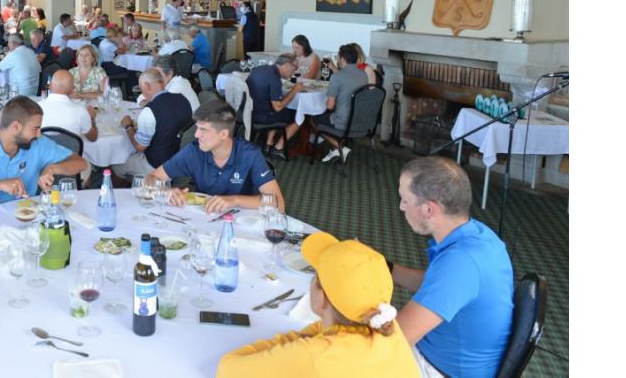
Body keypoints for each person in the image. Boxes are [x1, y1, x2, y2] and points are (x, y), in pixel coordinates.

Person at [217, 231, 420, 377]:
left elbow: (227, 369)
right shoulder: (389, 330)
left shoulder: (317, 354)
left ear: (320, 298)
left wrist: (292, 345)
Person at [390, 157, 514, 378]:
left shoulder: (460, 264)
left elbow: (393, 341)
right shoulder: (477, 234)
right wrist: (387, 268)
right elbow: (435, 286)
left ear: (429, 209)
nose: (401, 206)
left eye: (405, 199)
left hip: (439, 370)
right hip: (444, 356)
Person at [0, 96, 88, 215]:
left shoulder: (38, 143)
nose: (39, 135)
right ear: (16, 127)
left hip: (25, 220)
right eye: (35, 129)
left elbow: (81, 163)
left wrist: (52, 168)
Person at [151, 99, 284, 214]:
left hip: (242, 222)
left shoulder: (249, 155)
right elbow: (151, 178)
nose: (196, 134)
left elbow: (278, 204)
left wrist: (234, 200)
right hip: (205, 217)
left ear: (223, 134)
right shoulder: (194, 151)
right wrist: (166, 192)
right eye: (197, 128)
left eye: (203, 129)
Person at [113, 68, 191, 179]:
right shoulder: (183, 99)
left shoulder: (149, 111)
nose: (142, 93)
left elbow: (140, 146)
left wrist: (128, 126)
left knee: (116, 162)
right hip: (180, 158)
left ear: (147, 86)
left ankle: (126, 193)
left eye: (141, 89)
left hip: (158, 165)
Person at [317, 44, 371, 163]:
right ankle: (336, 149)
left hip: (343, 123)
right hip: (360, 120)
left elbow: (330, 106)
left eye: (338, 57)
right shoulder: (363, 75)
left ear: (342, 59)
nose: (337, 59)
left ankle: (340, 147)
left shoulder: (337, 77)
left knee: (313, 118)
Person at [246, 54, 307, 158]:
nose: (294, 72)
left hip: (250, 110)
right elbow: (277, 107)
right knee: (299, 115)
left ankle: (268, 144)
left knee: (280, 108)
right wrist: (294, 90)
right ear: (287, 65)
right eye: (295, 68)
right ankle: (278, 148)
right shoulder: (274, 78)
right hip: (263, 116)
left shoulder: (259, 69)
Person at [38, 70, 98, 146]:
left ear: (49, 86)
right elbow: (93, 138)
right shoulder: (80, 111)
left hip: (42, 156)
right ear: (73, 90)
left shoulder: (35, 109)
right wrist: (92, 119)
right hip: (70, 157)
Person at [0, 33, 41, 97]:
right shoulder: (31, 51)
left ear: (13, 43)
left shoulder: (13, 54)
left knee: (1, 90)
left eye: (8, 43)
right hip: (34, 91)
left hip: (19, 93)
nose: (8, 45)